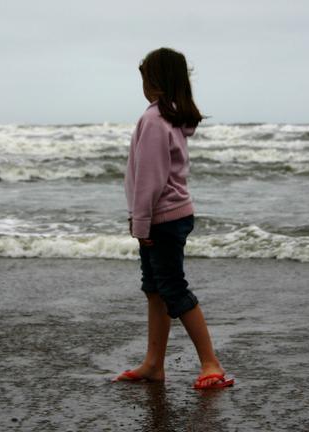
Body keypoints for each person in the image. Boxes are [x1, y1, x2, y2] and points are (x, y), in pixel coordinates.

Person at [113, 47, 234, 390]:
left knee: (173, 289)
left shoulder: (153, 120)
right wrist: (141, 219)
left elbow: (150, 178)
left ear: (155, 81)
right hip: (165, 216)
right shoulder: (170, 119)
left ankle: (211, 362)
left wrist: (141, 223)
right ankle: (153, 364)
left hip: (161, 218)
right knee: (155, 290)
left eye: (144, 79)